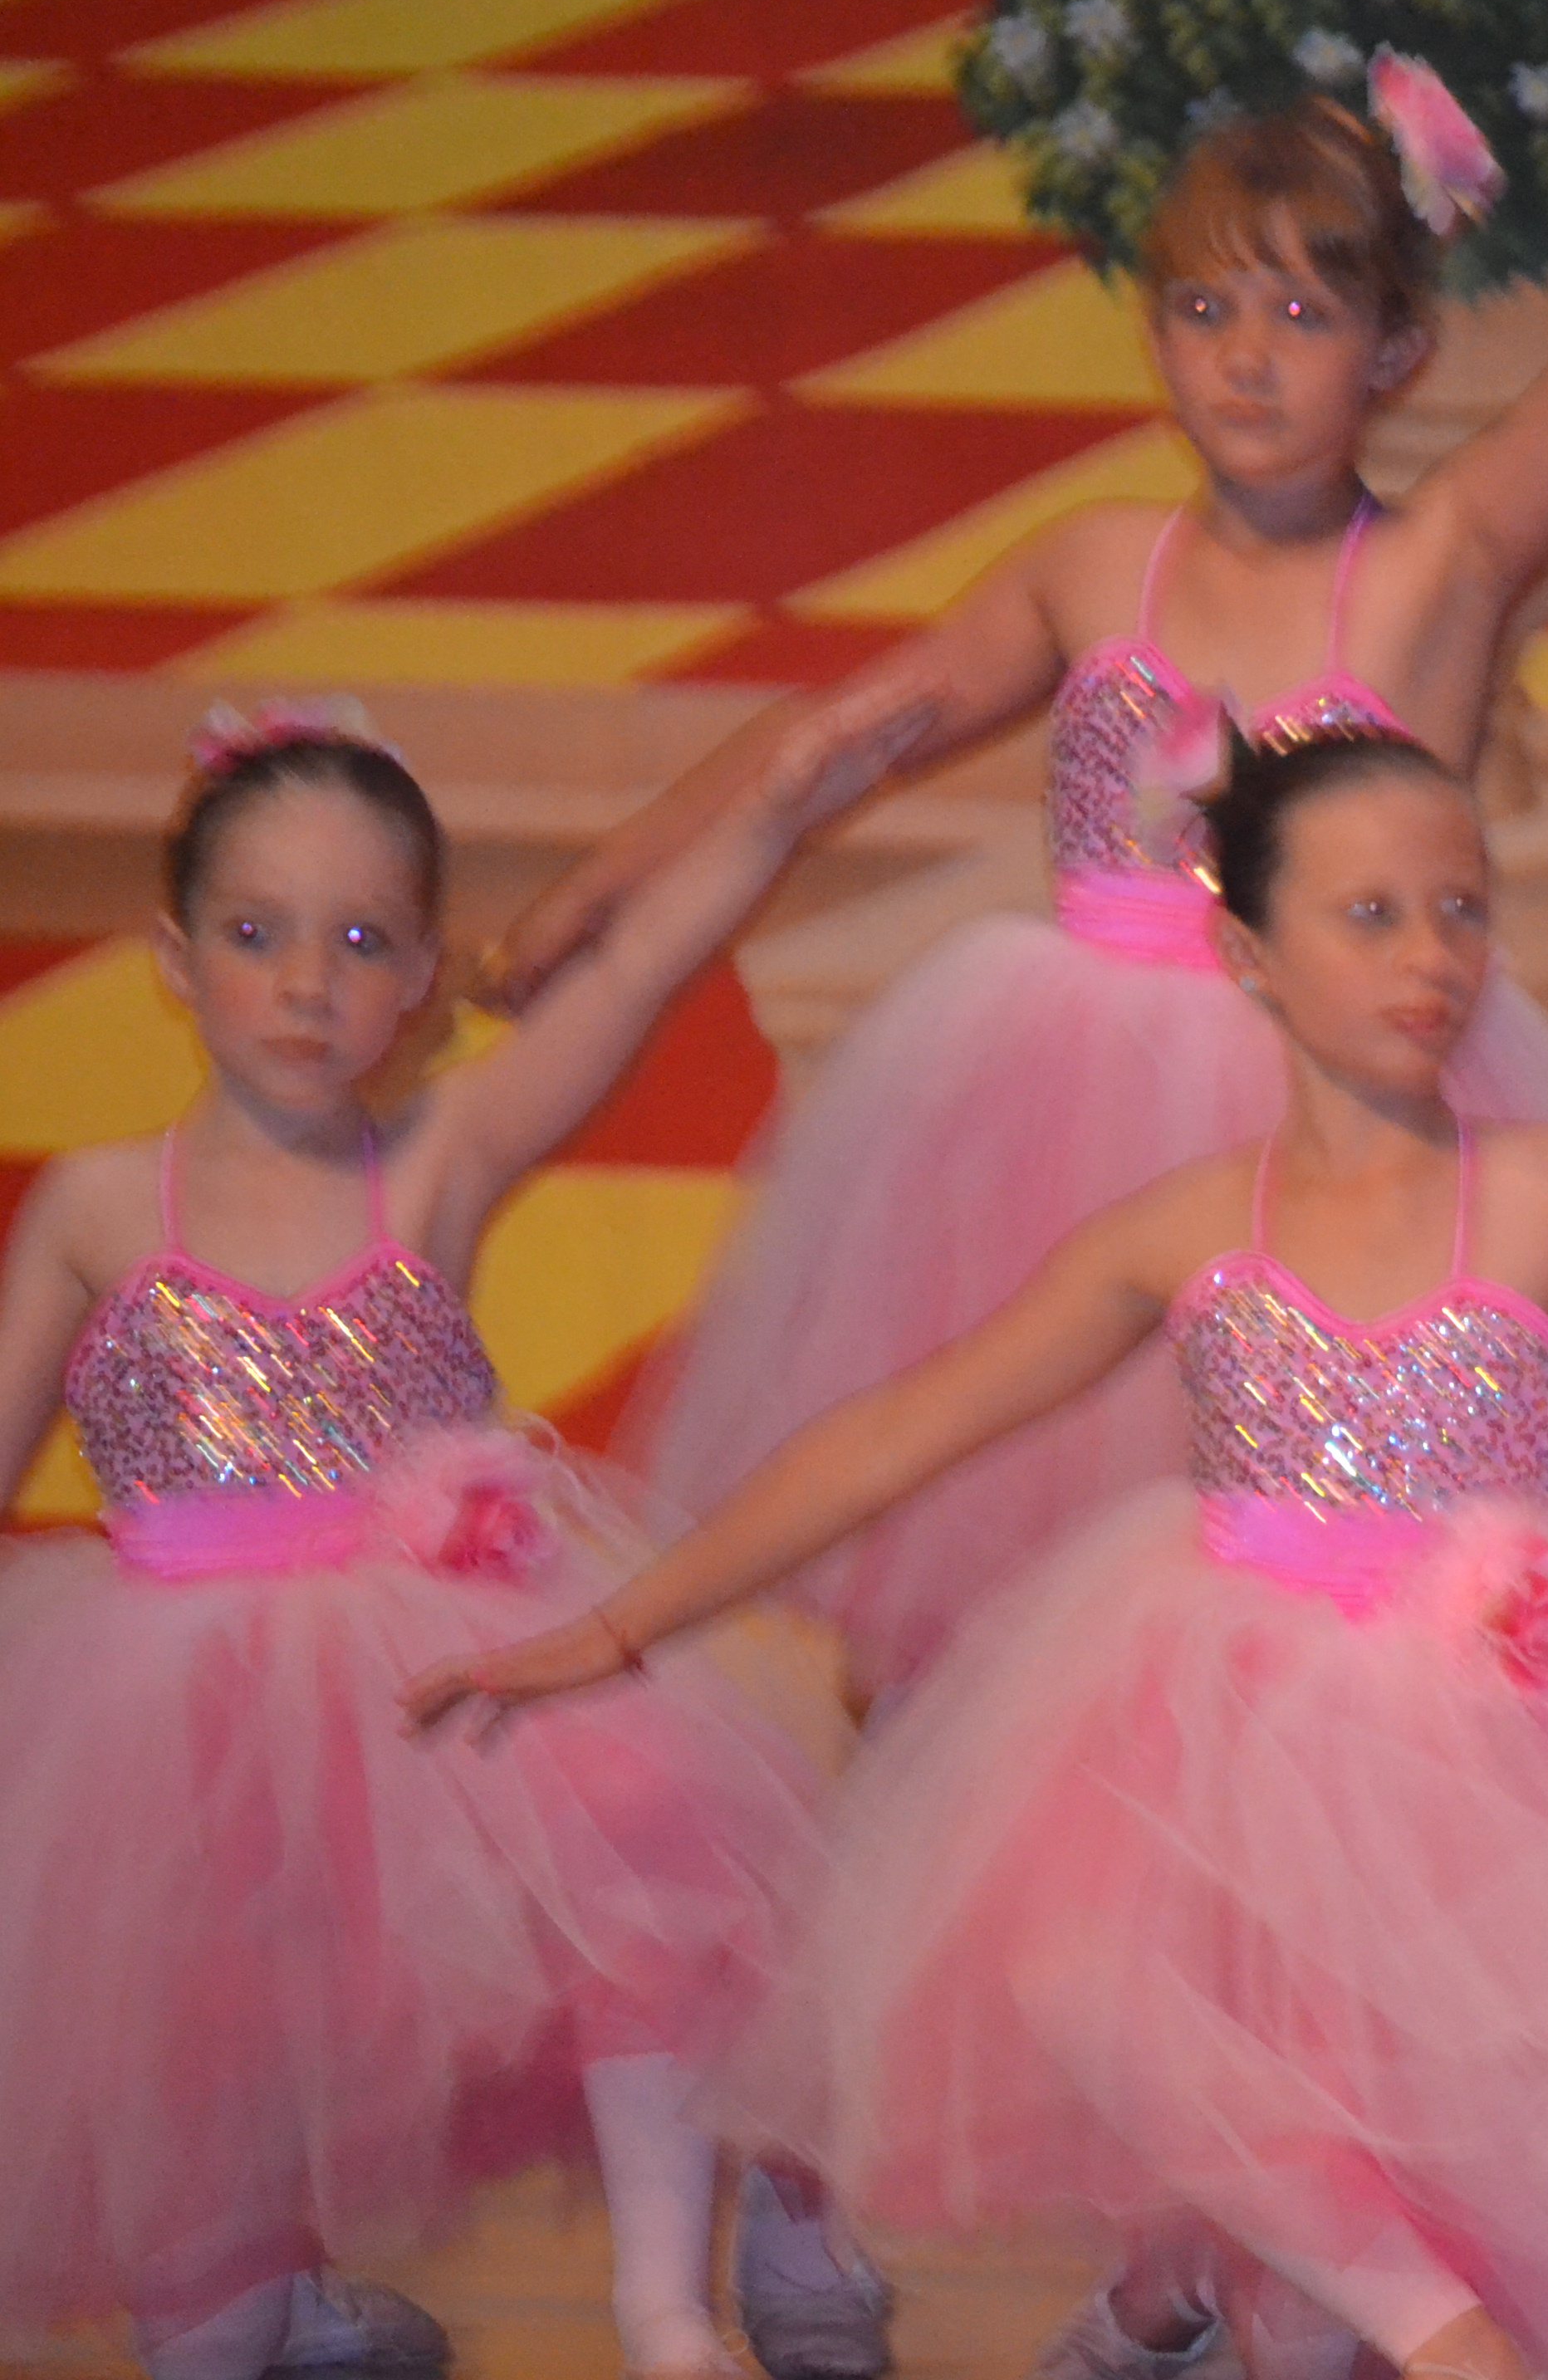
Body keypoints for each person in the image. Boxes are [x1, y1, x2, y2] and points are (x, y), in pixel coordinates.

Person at [405, 729, 1548, 2380]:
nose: (1431, 956)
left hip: (1508, 1773)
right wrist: (623, 1626)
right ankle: (1436, 2338)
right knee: (1086, 1971)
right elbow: (901, 1431)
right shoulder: (1186, 1227)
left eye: (1461, 908)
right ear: (1249, 954)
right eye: (1370, 915)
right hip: (1228, 1739)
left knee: (1457, 2172)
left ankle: (1305, 2315)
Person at [492, 1, 1548, 1699]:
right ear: (1155, 336)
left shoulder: (1438, 565)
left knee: (1296, 1576)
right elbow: (829, 747)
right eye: (1205, 312)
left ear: (1397, 350)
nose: (1249, 359)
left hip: (1327, 1126)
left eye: (1303, 315)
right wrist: (604, 879)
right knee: (978, 1589)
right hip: (1054, 1124)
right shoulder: (1089, 566)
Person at [0, 698, 908, 2380]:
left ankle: (666, 2307)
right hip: (185, 1734)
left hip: (442, 1686)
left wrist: (773, 813)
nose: (306, 985)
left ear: (423, 975)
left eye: (361, 942)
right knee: (213, 2223)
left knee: (641, 1850)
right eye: (256, 936)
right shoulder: (100, 1206)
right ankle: (266, 2281)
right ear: (173, 960)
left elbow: (630, 978)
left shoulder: (438, 1158)